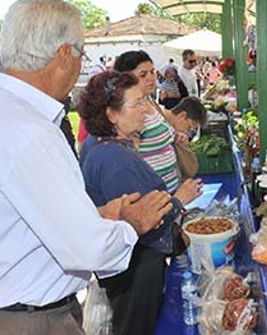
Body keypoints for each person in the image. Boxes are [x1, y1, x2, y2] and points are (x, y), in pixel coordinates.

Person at [0, 0, 172, 334]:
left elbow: (22, 222)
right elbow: (89, 250)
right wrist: (133, 224)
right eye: (81, 53)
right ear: (64, 54)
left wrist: (97, 217)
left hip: (4, 312)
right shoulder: (28, 131)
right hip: (31, 320)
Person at [78, 71, 202, 335]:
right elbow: (148, 220)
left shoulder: (99, 145)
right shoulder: (115, 160)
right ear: (112, 114)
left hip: (123, 266)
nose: (147, 110)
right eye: (137, 104)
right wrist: (180, 199)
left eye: (146, 101)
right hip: (135, 269)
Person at [114, 50, 182, 192]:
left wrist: (174, 136)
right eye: (143, 74)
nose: (151, 78)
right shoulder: (127, 113)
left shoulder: (150, 101)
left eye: (152, 72)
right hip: (150, 196)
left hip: (171, 191)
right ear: (126, 79)